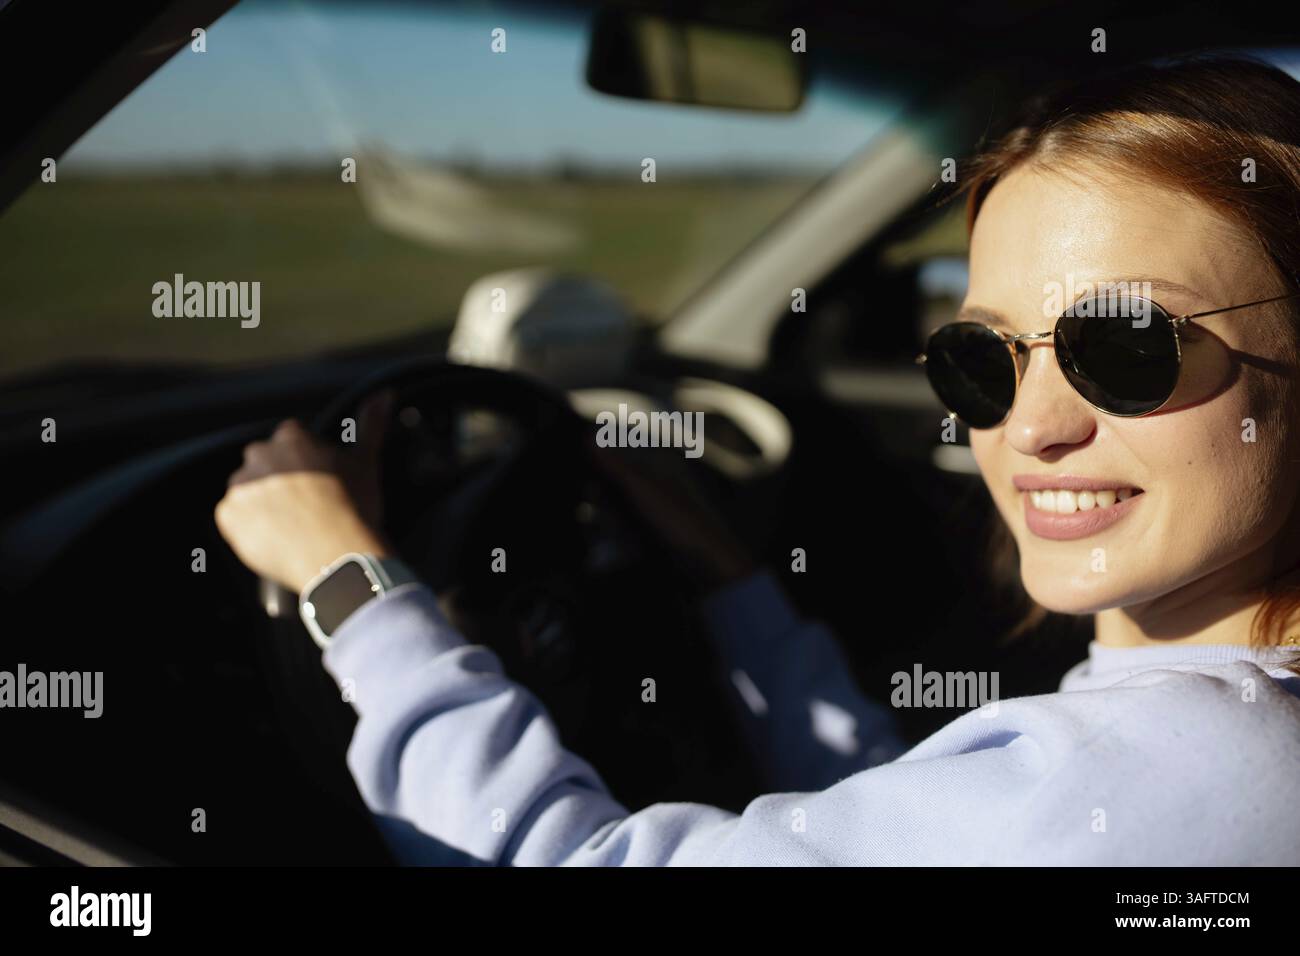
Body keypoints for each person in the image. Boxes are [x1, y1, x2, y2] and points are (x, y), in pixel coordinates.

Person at [215, 55, 1300, 865]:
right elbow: (906, 820)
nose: (1026, 428)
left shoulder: (1196, 762)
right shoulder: (1180, 746)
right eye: (980, 357)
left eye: (1127, 346)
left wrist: (352, 586)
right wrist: (731, 585)